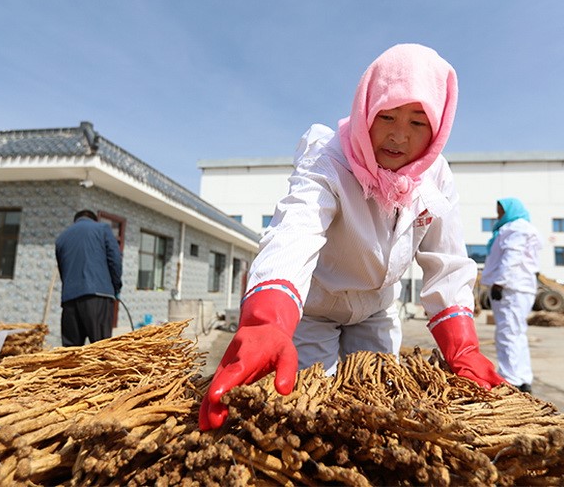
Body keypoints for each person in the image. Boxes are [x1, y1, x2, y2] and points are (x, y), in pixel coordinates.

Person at [199, 43, 503, 430]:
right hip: (314, 309)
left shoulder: (436, 175)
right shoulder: (330, 157)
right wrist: (266, 322)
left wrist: (463, 348)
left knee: (376, 407)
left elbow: (447, 260)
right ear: (365, 110)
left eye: (417, 123)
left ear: (439, 127)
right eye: (387, 116)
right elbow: (296, 230)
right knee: (310, 409)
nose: (398, 136)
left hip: (375, 310)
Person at [481, 197, 543, 393]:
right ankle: (523, 377)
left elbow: (512, 256)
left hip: (511, 288)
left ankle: (510, 379)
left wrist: (500, 282)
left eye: (501, 211)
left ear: (510, 211)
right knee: (517, 333)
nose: (498, 215)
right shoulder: (526, 227)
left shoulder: (514, 228)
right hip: (521, 287)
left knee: (507, 333)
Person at [54, 209, 123, 346]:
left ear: (76, 221)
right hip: (98, 295)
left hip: (69, 300)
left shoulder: (61, 238)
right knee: (101, 350)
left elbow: (63, 272)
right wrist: (116, 287)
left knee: (71, 353)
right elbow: (115, 260)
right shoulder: (102, 228)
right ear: (93, 219)